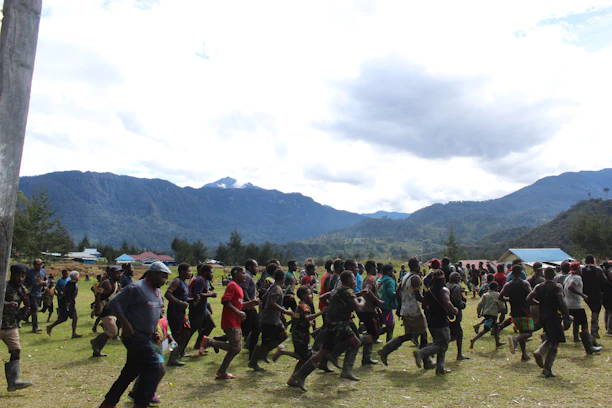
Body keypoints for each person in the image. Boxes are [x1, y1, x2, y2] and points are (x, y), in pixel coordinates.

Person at [98, 262, 171, 408]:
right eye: (162, 277)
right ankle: (141, 402)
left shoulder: (156, 292)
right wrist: (125, 323)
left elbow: (150, 314)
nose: (164, 281)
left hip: (145, 336)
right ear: (152, 274)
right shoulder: (136, 288)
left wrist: (153, 332)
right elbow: (113, 304)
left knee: (130, 372)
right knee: (153, 366)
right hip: (134, 335)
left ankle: (108, 403)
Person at [287, 271, 369, 391]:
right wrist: (363, 299)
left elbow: (325, 297)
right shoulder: (348, 292)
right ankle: (301, 375)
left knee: (349, 344)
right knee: (328, 351)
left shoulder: (338, 290)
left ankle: (301, 375)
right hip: (339, 327)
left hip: (334, 325)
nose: (355, 281)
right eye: (353, 279)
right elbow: (359, 308)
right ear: (349, 281)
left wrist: (336, 307)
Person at [199, 266, 259, 380]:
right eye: (243, 273)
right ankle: (210, 342)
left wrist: (251, 303)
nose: (245, 275)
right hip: (230, 321)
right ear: (235, 274)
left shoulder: (239, 287)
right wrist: (238, 312)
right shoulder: (232, 285)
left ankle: (222, 372)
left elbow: (238, 304)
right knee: (235, 348)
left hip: (236, 321)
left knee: (236, 348)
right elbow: (225, 301)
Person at [378, 257, 431, 368]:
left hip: (405, 310)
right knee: (424, 334)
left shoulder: (405, 277)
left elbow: (398, 293)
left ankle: (385, 350)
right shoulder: (415, 278)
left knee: (408, 335)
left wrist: (401, 305)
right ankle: (426, 361)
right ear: (416, 265)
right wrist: (428, 300)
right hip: (414, 310)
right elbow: (418, 296)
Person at [528, 267, 572, 378]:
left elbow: (528, 298)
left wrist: (539, 303)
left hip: (542, 316)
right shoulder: (557, 287)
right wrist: (567, 315)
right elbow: (562, 301)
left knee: (550, 337)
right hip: (553, 316)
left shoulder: (539, 286)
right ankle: (545, 365)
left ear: (544, 275)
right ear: (554, 275)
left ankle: (546, 368)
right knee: (554, 342)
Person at [273, 286, 325, 377]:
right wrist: (321, 313)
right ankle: (282, 352)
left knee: (302, 357)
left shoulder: (300, 305)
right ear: (303, 296)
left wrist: (289, 323)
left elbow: (296, 317)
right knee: (304, 357)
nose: (311, 296)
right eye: (309, 294)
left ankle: (293, 378)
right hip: (301, 336)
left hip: (299, 334)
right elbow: (306, 318)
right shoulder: (304, 306)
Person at [249, 269, 294, 371]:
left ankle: (264, 353)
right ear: (283, 279)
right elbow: (272, 303)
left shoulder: (273, 287)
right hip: (269, 320)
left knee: (283, 335)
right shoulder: (277, 288)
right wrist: (286, 312)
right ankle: (253, 362)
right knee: (265, 342)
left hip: (274, 319)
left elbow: (265, 297)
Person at [127, 304, 174, 405]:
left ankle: (135, 392)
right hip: (149, 348)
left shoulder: (163, 320)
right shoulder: (148, 319)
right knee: (160, 369)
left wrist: (171, 340)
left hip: (159, 349)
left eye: (163, 307)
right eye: (159, 307)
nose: (162, 309)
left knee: (147, 370)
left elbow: (167, 331)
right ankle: (150, 393)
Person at [414, 270, 458, 375]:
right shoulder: (444, 290)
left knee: (439, 343)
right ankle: (421, 353)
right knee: (443, 345)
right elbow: (447, 303)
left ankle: (440, 368)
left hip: (431, 320)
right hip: (441, 321)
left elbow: (424, 305)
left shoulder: (429, 291)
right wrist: (454, 310)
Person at [1, 264, 33, 391]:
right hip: (0, 323)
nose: (20, 278)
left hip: (11, 325)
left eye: (22, 276)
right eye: (17, 275)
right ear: (12, 275)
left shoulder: (23, 290)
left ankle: (13, 381)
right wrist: (6, 304)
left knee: (16, 350)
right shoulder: (4, 287)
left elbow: (26, 304)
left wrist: (24, 313)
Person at [563, 262, 602, 355]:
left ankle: (548, 336)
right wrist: (582, 295)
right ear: (578, 269)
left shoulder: (568, 277)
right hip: (576, 306)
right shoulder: (577, 277)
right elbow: (570, 287)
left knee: (571, 323)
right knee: (584, 325)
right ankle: (589, 347)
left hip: (568, 304)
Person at [499, 265, 534, 362]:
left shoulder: (508, 285)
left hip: (514, 312)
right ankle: (516, 340)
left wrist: (509, 299)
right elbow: (530, 296)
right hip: (524, 311)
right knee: (529, 332)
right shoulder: (525, 283)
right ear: (521, 272)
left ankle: (524, 354)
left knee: (522, 332)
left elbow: (500, 297)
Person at [165, 263, 193, 367]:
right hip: (175, 314)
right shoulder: (177, 281)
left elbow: (183, 297)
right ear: (182, 271)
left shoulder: (184, 283)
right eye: (188, 271)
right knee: (178, 336)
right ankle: (172, 359)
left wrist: (192, 299)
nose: (190, 273)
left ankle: (180, 352)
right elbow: (168, 294)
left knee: (186, 332)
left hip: (182, 313)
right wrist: (180, 303)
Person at [91, 265, 123, 357]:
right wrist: (97, 307)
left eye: (120, 273)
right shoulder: (106, 283)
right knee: (113, 331)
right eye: (117, 273)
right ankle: (95, 342)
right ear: (111, 274)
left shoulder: (117, 285)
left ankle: (97, 350)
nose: (119, 275)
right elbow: (98, 295)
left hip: (111, 309)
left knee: (111, 331)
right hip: (105, 310)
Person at [187, 264, 217, 351]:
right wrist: (211, 294)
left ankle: (199, 343)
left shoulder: (204, 280)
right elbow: (198, 294)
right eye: (211, 272)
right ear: (205, 272)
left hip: (204, 309)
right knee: (191, 331)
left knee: (210, 325)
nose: (212, 274)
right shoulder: (200, 280)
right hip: (197, 310)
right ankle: (179, 350)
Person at [470, 281, 506, 349]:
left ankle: (497, 342)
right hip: (492, 314)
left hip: (486, 313)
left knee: (495, 328)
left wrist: (478, 312)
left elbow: (480, 304)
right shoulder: (497, 295)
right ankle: (473, 339)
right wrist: (502, 309)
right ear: (496, 288)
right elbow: (502, 305)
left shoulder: (485, 295)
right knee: (486, 329)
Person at [46, 271, 82, 338]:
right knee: (63, 318)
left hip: (70, 303)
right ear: (76, 277)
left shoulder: (70, 283)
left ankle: (74, 333)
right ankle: (50, 327)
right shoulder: (72, 284)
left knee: (75, 318)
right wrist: (68, 302)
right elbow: (68, 294)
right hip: (68, 303)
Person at [582, 255, 607, 339]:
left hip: (586, 293)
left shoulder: (582, 269)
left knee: (592, 310)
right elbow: (604, 281)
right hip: (596, 293)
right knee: (595, 312)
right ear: (593, 261)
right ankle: (594, 330)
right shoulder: (598, 270)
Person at [240, 259, 260, 358]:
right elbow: (244, 290)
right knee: (249, 329)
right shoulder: (247, 276)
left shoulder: (249, 276)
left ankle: (251, 351)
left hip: (249, 307)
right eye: (256, 266)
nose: (257, 268)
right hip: (248, 308)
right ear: (250, 267)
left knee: (254, 328)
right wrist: (250, 303)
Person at [447, 272, 469, 360]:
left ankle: (433, 346)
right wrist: (462, 304)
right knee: (458, 333)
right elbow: (457, 300)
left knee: (453, 334)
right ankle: (459, 354)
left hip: (447, 313)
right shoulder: (456, 287)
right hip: (454, 313)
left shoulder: (447, 286)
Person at [376, 264, 398, 342]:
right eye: (392, 271)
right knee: (390, 325)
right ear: (389, 272)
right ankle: (387, 341)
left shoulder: (379, 279)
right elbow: (391, 293)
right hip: (387, 306)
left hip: (379, 305)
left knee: (382, 323)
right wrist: (399, 294)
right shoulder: (389, 280)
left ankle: (376, 335)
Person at [24, 258, 47, 333]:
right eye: (38, 264)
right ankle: (35, 327)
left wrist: (45, 282)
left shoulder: (43, 271)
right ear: (34, 265)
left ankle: (24, 317)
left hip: (39, 293)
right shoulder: (30, 272)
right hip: (31, 293)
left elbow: (46, 279)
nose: (39, 266)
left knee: (33, 309)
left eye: (40, 264)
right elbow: (25, 281)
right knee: (35, 309)